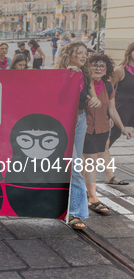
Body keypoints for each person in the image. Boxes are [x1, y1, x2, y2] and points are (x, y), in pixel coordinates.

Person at [55, 41, 101, 229]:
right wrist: (67, 76)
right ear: (70, 55)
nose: (83, 56)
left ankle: (72, 209)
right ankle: (75, 213)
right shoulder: (63, 73)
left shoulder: (84, 75)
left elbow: (92, 96)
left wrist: (95, 101)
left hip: (81, 120)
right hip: (65, 120)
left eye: (85, 53)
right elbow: (57, 97)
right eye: (79, 53)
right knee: (74, 167)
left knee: (76, 165)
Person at [83, 53, 133, 215]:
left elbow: (111, 109)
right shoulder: (82, 84)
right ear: (88, 66)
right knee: (90, 163)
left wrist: (122, 127)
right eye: (95, 65)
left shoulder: (108, 86)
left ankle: (85, 191)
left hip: (103, 128)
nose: (98, 68)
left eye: (102, 66)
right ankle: (93, 198)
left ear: (106, 70)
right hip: (86, 128)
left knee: (90, 163)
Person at [108, 42, 134, 185]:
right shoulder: (120, 70)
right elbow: (108, 88)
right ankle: (105, 169)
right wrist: (108, 112)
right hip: (121, 105)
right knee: (113, 136)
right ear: (130, 52)